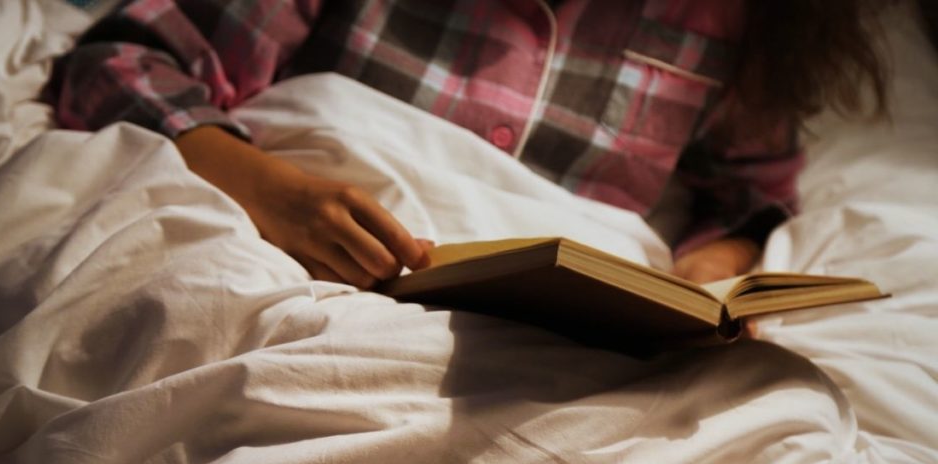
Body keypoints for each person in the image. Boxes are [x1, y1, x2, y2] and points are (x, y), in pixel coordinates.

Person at [45, 0, 888, 288]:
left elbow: (755, 195)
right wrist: (264, 189)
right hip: (300, 265)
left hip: (543, 336)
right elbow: (118, 63)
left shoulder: (729, 23)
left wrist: (710, 272)